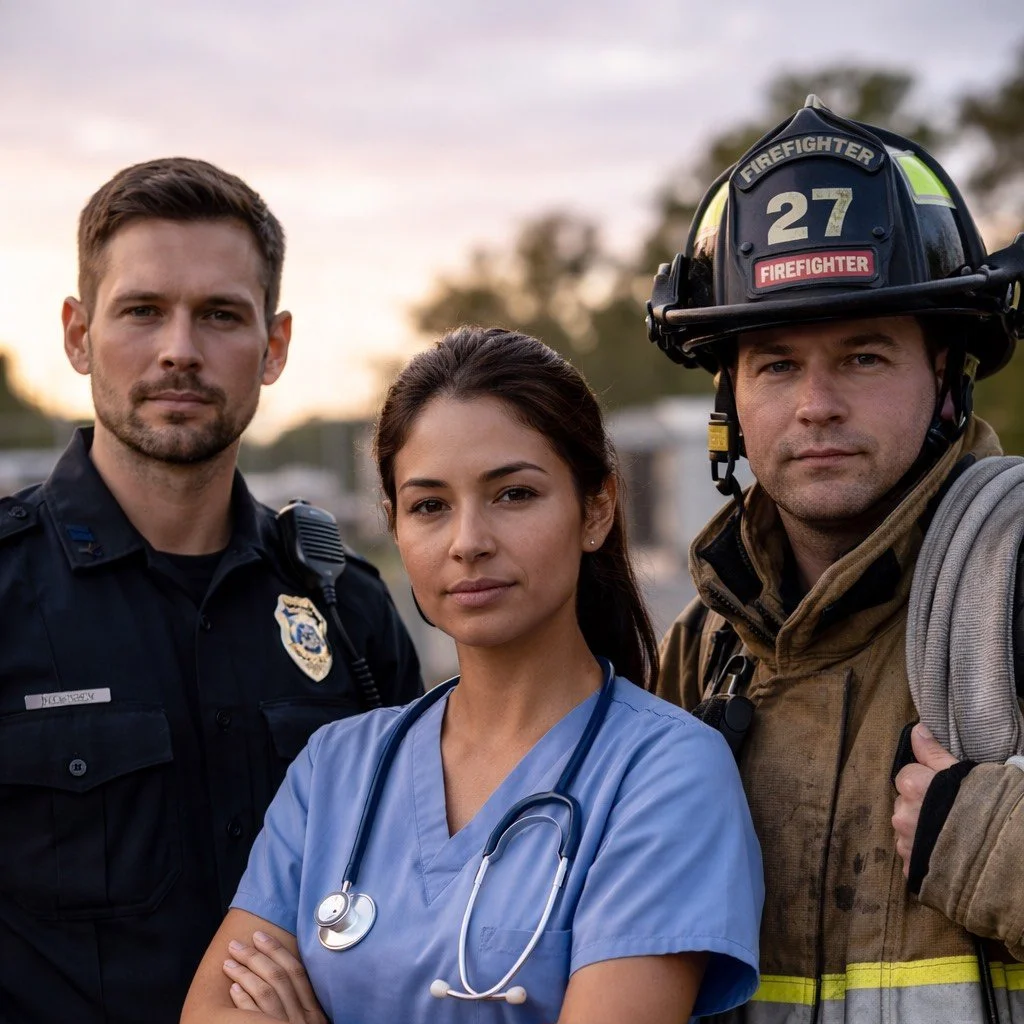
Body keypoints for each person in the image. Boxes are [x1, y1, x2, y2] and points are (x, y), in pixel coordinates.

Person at [181, 325, 764, 1024]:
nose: (468, 543)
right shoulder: (335, 769)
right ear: (395, 527)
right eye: (430, 506)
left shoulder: (665, 775)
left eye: (513, 494)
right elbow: (214, 1009)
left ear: (597, 509)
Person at [0, 158, 422, 1024]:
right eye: (143, 310)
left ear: (274, 347)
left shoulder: (347, 611)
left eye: (221, 315)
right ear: (78, 334)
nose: (179, 350)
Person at [647, 96, 1024, 1022]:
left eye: (863, 356)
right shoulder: (703, 650)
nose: (816, 404)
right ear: (730, 394)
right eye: (776, 363)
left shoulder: (1013, 581)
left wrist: (1000, 852)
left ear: (944, 372)